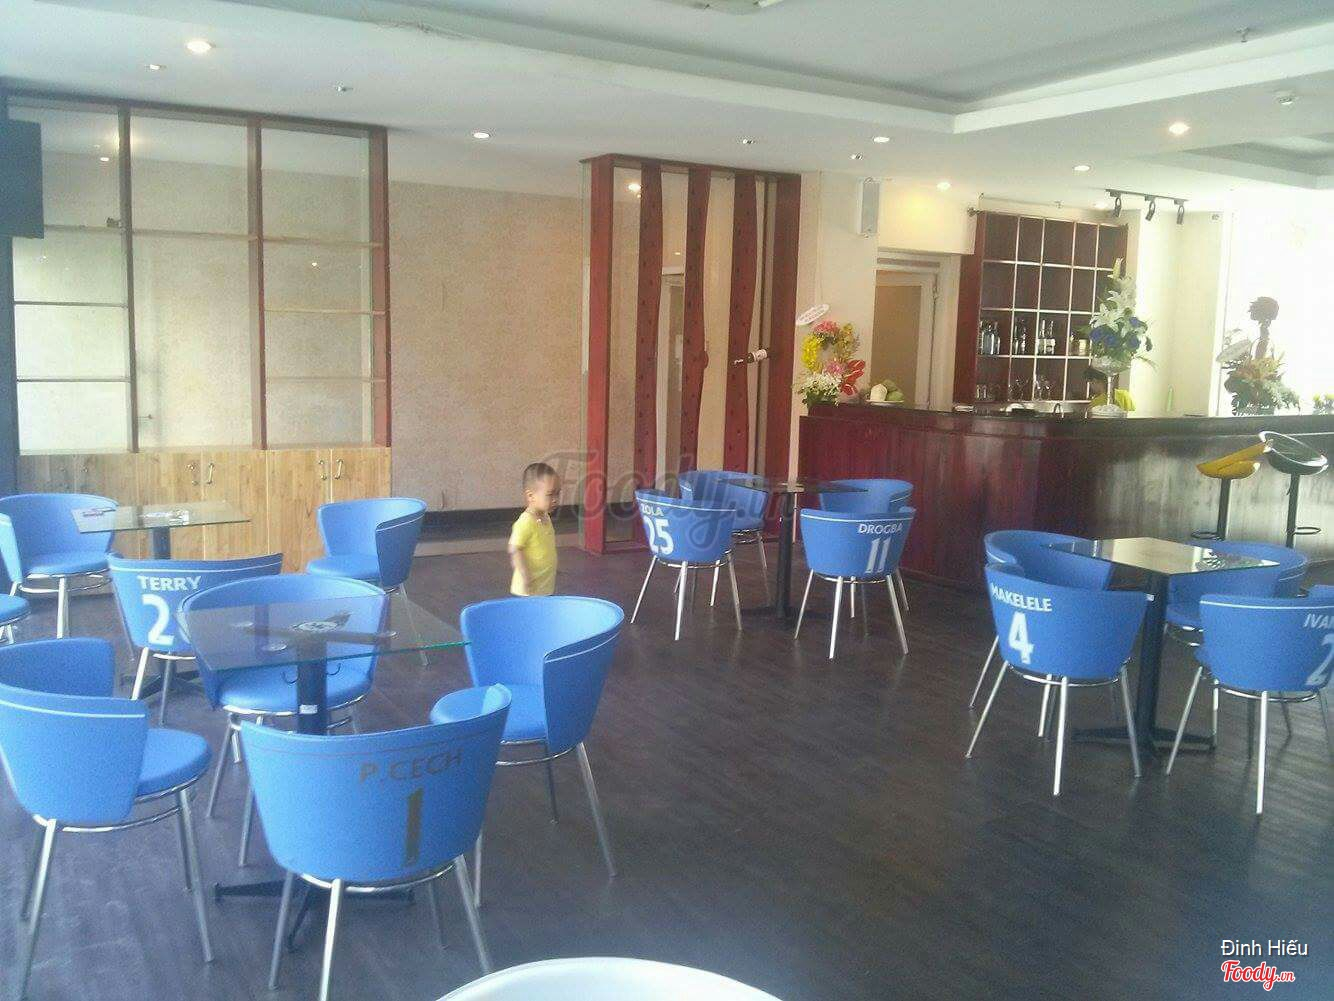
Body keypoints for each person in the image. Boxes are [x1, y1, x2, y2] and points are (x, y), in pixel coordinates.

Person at [509, 461, 560, 596]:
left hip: (544, 587)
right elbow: (515, 549)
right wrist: (524, 574)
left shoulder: (546, 517)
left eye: (557, 494)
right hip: (528, 591)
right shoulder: (525, 522)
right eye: (550, 494)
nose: (555, 499)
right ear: (531, 496)